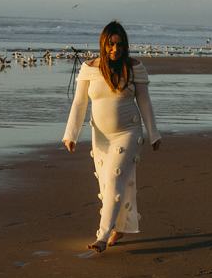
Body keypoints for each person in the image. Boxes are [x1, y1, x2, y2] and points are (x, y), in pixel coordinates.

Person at [63, 21, 162, 253]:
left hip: (128, 132)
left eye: (119, 45)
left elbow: (145, 102)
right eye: (110, 44)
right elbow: (79, 103)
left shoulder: (134, 68)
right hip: (101, 137)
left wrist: (153, 133)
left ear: (125, 45)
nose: (115, 49)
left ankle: (102, 235)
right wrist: (71, 134)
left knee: (115, 179)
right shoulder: (89, 68)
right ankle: (120, 227)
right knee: (108, 184)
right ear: (103, 44)